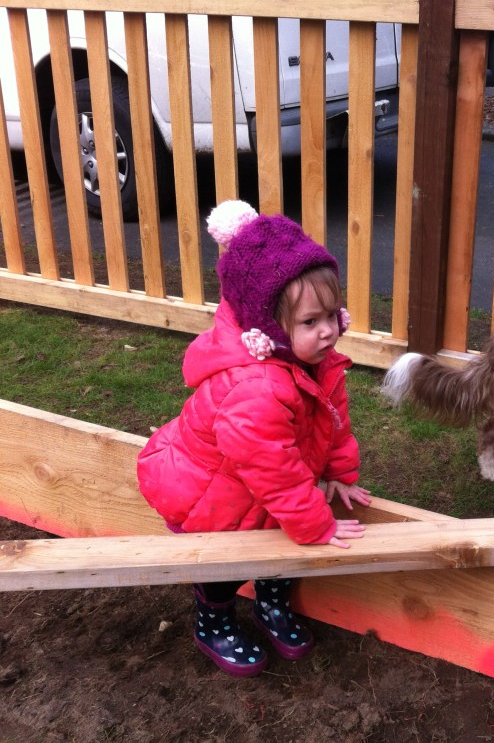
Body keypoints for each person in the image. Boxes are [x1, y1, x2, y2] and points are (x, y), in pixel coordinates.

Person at [137, 200, 372, 678]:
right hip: (211, 500)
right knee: (223, 570)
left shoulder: (311, 359)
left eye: (331, 314)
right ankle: (213, 621)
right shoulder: (255, 389)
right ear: (269, 327)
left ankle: (271, 606)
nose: (329, 331)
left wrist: (338, 474)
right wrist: (317, 526)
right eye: (311, 322)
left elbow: (333, 419)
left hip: (260, 493)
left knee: (278, 552)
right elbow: (274, 470)